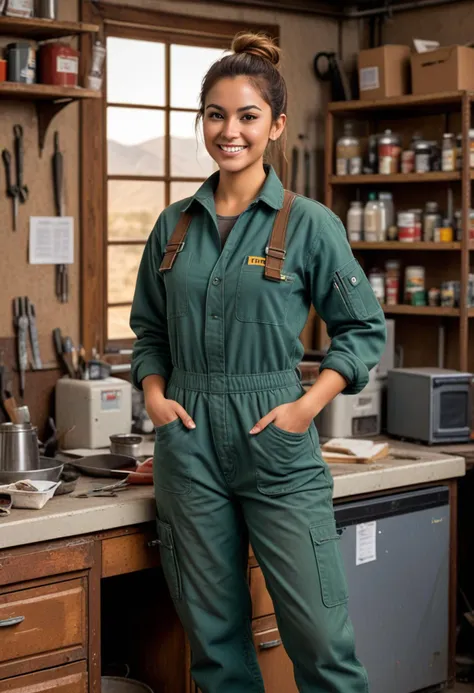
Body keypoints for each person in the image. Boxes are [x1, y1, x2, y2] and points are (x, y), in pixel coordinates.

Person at [130, 31, 385, 693]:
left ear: (274, 126)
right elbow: (150, 330)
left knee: (322, 640)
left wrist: (305, 406)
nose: (229, 130)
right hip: (187, 441)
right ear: (202, 122)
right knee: (215, 649)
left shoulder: (310, 225)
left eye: (247, 116)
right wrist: (156, 393)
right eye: (216, 114)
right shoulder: (172, 226)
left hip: (276, 435)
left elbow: (363, 330)